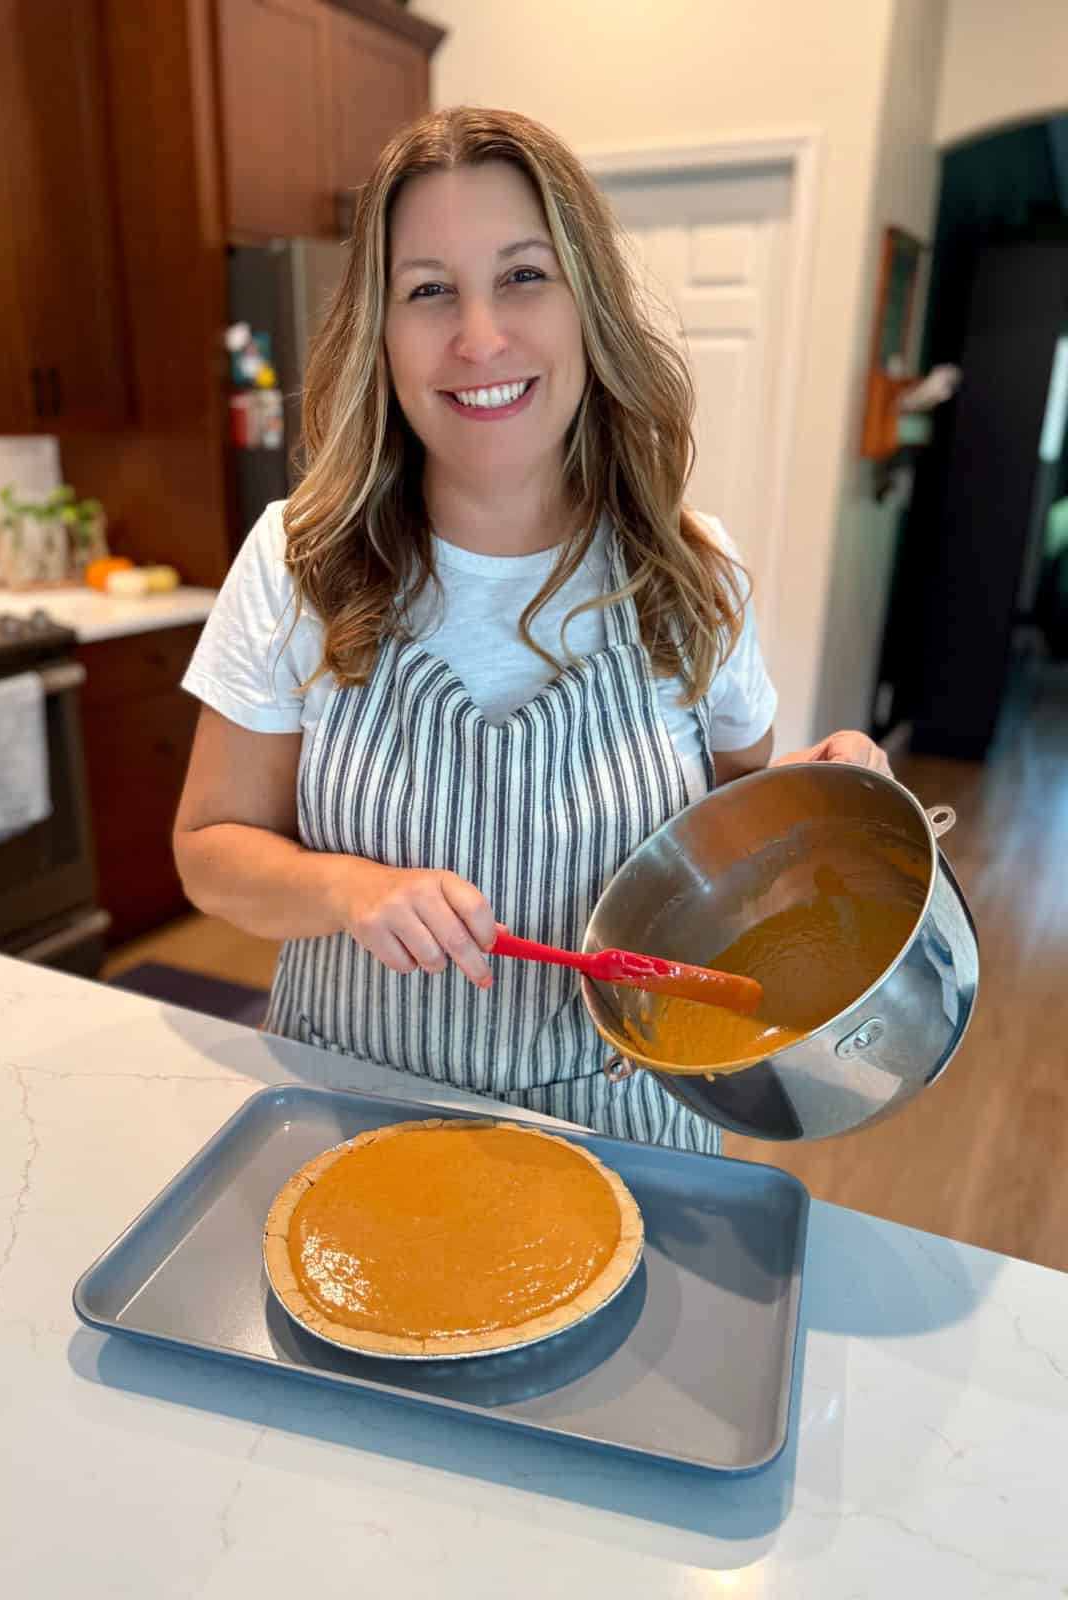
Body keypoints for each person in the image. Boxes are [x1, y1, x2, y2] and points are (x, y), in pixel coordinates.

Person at [175, 106, 890, 1153]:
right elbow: (208, 852)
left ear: (586, 302)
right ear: (379, 329)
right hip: (355, 1119)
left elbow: (737, 834)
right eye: (427, 291)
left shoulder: (693, 572)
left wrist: (819, 804)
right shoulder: (297, 563)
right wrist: (347, 886)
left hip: (627, 1133)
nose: (479, 337)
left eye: (522, 276)